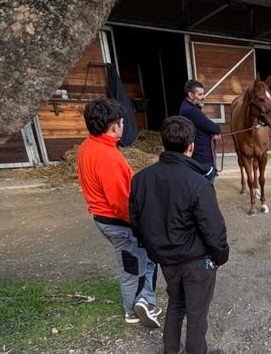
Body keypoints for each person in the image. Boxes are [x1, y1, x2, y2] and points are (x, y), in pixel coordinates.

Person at [129, 115, 230, 354]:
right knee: (196, 313)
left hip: (167, 260)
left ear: (163, 142)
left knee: (176, 304)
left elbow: (136, 220)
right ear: (191, 146)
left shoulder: (141, 179)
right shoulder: (198, 183)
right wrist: (220, 256)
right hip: (196, 261)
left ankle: (170, 350)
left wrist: (155, 249)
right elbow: (213, 228)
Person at [76, 98, 160, 328]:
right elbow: (121, 202)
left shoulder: (89, 146)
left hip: (105, 217)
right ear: (115, 126)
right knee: (132, 265)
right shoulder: (108, 158)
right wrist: (140, 224)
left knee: (142, 259)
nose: (124, 126)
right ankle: (133, 309)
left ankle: (145, 300)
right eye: (122, 122)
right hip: (118, 221)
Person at [179, 79, 222, 183]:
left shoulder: (186, 106)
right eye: (200, 94)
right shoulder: (191, 111)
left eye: (203, 94)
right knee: (207, 188)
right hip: (202, 157)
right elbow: (215, 128)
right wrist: (214, 131)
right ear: (190, 94)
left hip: (198, 155)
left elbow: (200, 126)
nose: (203, 97)